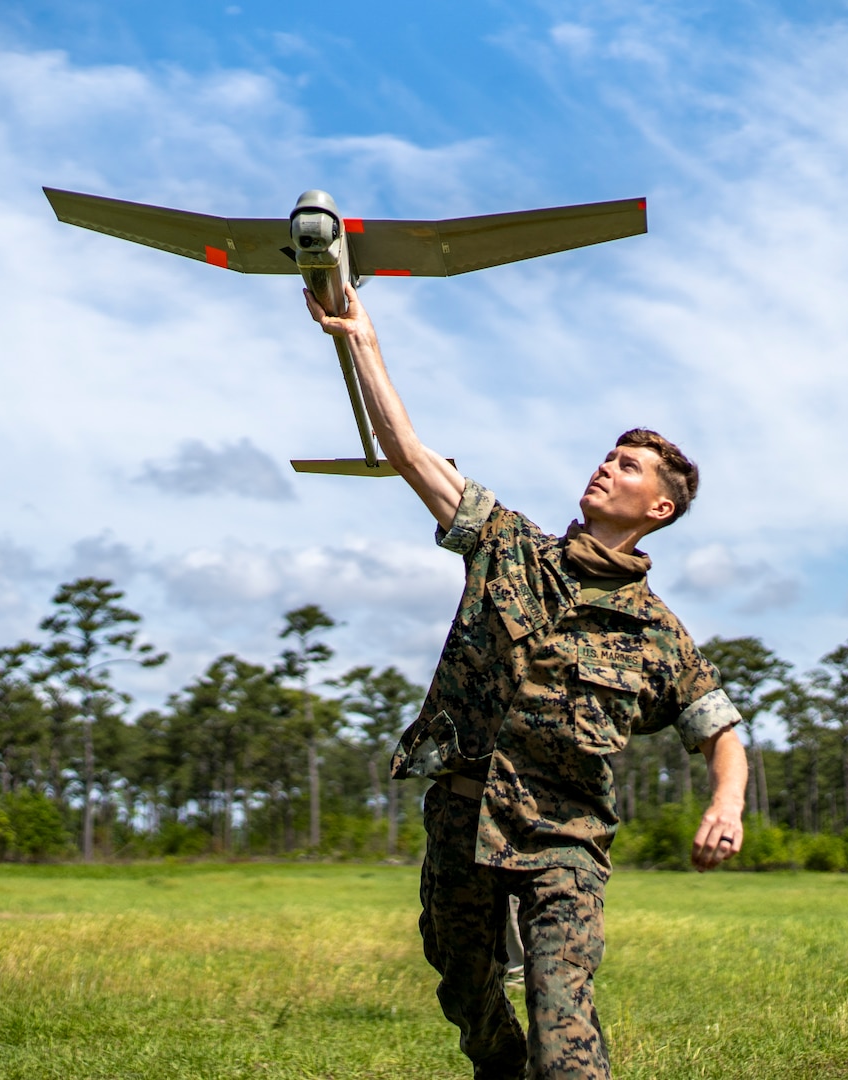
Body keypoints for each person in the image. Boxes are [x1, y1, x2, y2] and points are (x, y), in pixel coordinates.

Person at [305, 284, 747, 1080]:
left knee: (562, 1017)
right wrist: (360, 336)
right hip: (463, 817)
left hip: (563, 842)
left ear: (662, 506)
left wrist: (726, 803)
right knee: (468, 993)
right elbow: (408, 450)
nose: (608, 467)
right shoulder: (506, 546)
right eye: (610, 455)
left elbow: (721, 730)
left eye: (630, 465)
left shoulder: (656, 631)